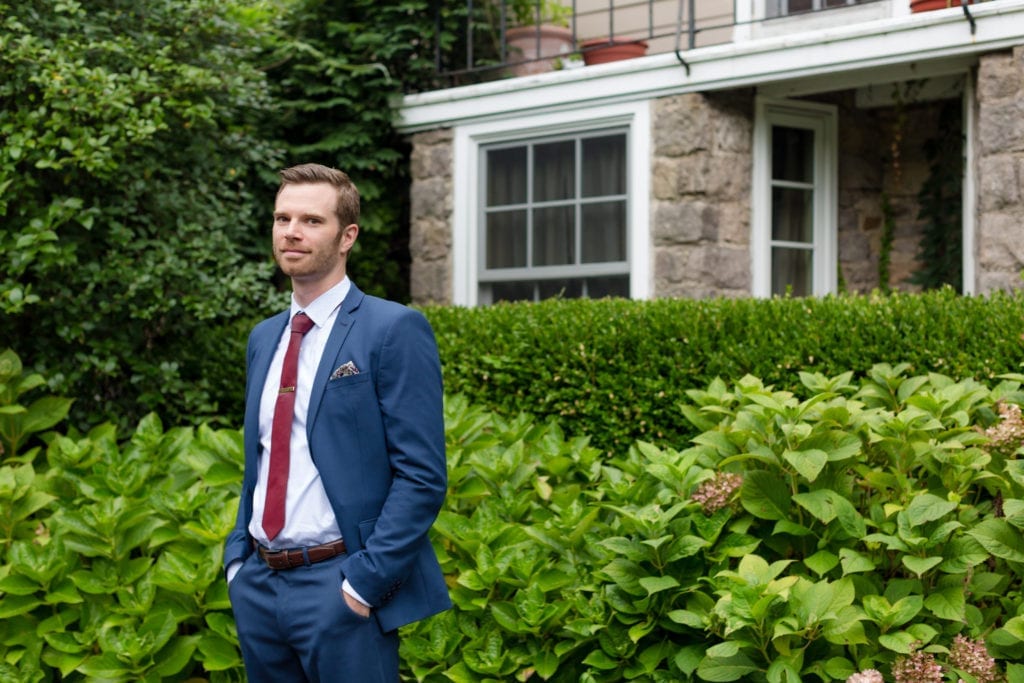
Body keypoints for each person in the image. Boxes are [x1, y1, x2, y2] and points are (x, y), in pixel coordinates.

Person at [224, 163, 450, 682]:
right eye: (282, 218)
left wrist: (363, 585)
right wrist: (239, 561)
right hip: (259, 585)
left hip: (339, 587)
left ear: (347, 236)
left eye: (311, 220)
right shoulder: (264, 337)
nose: (291, 232)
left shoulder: (392, 329)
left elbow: (422, 476)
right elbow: (263, 454)